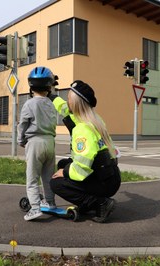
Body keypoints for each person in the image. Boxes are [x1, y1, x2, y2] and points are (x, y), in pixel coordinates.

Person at [49, 80, 121, 223]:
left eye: (68, 99)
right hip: (110, 175)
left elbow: (82, 168)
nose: (67, 102)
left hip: (104, 182)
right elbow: (64, 108)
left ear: (75, 104)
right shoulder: (94, 119)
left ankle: (100, 204)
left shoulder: (82, 130)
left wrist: (64, 172)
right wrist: (51, 96)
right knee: (64, 163)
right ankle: (89, 201)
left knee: (55, 183)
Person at [18, 66, 57, 221]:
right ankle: (50, 202)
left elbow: (23, 124)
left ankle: (34, 208)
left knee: (32, 178)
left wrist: (21, 140)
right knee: (48, 176)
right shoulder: (51, 103)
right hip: (50, 142)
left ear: (31, 86)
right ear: (49, 86)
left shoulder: (29, 104)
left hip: (35, 142)